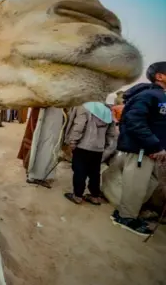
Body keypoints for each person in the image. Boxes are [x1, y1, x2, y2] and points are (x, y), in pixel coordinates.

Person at [102, 61, 166, 236]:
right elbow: (134, 121)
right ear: (159, 76)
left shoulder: (160, 96)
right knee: (136, 184)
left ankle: (128, 211)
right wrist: (154, 145)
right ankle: (125, 217)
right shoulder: (148, 95)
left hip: (153, 150)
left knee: (148, 183)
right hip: (142, 150)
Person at [63, 102, 116, 205]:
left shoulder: (86, 107)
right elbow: (111, 133)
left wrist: (73, 141)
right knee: (95, 173)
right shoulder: (107, 111)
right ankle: (95, 196)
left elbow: (79, 125)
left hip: (84, 146)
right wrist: (107, 148)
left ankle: (77, 196)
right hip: (98, 148)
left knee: (79, 171)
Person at [17, 107, 65, 188]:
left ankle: (44, 175)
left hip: (54, 123)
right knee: (42, 149)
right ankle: (35, 177)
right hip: (45, 122)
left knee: (50, 149)